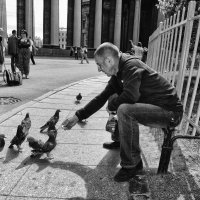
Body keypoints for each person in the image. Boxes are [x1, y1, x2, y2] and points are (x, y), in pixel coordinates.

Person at [61, 42, 183, 182]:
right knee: (113, 98)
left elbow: (131, 96)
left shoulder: (131, 66)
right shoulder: (118, 72)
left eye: (100, 65)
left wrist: (113, 107)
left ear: (109, 60)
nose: (99, 69)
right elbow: (101, 97)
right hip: (155, 108)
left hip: (170, 112)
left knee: (124, 110)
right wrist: (78, 116)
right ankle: (120, 140)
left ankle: (133, 165)